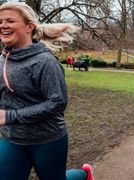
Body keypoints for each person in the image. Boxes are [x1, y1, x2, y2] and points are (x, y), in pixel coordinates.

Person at [0, 2, 93, 180]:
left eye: (10, 20)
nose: (3, 25)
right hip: (12, 139)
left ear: (29, 27)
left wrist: (10, 116)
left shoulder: (45, 62)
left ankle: (83, 174)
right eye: (0, 21)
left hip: (47, 139)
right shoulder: (2, 61)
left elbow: (57, 102)